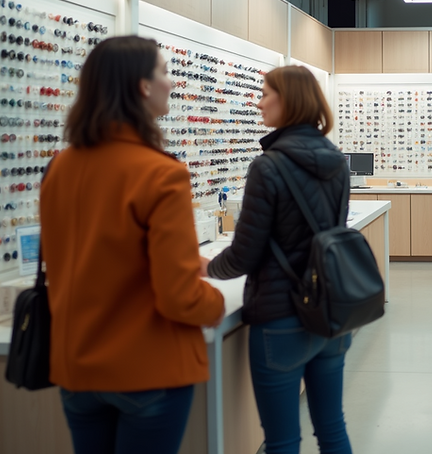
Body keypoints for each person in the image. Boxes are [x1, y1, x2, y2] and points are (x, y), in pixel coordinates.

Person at [41, 36, 226, 454]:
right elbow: (179, 297)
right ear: (143, 86)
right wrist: (215, 304)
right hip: (148, 368)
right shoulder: (161, 173)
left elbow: (78, 258)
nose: (172, 83)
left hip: (79, 367)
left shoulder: (60, 168)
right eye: (164, 71)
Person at [206, 66, 353, 454]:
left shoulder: (267, 166)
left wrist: (205, 267)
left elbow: (244, 254)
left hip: (280, 316)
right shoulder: (337, 161)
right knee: (333, 429)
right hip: (331, 311)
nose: (258, 101)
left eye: (265, 93)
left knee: (282, 440)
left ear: (287, 100)